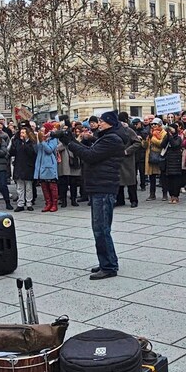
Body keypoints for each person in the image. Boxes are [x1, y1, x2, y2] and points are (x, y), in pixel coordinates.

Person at [59, 111, 125, 280]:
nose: (98, 123)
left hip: (103, 187)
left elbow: (90, 156)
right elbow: (91, 152)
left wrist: (69, 143)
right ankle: (107, 261)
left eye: (101, 121)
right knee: (102, 229)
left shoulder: (111, 139)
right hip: (100, 186)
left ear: (109, 123)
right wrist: (74, 140)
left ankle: (109, 266)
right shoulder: (106, 137)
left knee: (101, 230)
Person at [116, 112, 141, 208]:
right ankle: (120, 200)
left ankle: (134, 200)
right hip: (117, 159)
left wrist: (127, 151)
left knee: (131, 181)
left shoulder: (129, 130)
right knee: (118, 181)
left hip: (128, 159)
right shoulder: (115, 131)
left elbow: (137, 142)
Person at [10, 124, 37, 212]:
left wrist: (25, 143)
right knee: (19, 187)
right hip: (19, 166)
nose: (22, 134)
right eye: (21, 132)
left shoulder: (31, 142)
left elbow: (31, 153)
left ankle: (29, 203)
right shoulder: (17, 141)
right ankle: (20, 203)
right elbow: (12, 152)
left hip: (28, 167)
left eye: (24, 133)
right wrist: (14, 144)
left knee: (28, 187)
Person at [35, 122, 60, 212]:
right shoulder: (41, 139)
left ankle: (54, 204)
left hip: (49, 165)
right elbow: (37, 150)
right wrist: (38, 141)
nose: (42, 131)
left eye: (43, 129)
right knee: (44, 186)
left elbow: (49, 150)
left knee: (52, 186)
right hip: (41, 165)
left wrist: (43, 142)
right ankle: (48, 203)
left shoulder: (53, 139)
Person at [144, 118, 166, 201]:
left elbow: (161, 143)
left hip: (160, 156)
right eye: (152, 124)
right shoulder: (150, 133)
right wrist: (145, 140)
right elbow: (145, 146)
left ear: (160, 125)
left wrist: (152, 138)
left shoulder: (164, 133)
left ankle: (164, 194)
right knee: (152, 177)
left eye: (155, 124)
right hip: (151, 156)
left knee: (163, 177)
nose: (153, 126)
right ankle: (152, 194)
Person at [162, 124, 184, 203]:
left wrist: (170, 137)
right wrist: (167, 137)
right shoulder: (167, 137)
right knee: (169, 180)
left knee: (176, 179)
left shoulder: (178, 138)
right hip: (169, 160)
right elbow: (162, 145)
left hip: (176, 160)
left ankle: (176, 196)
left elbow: (175, 145)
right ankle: (171, 195)